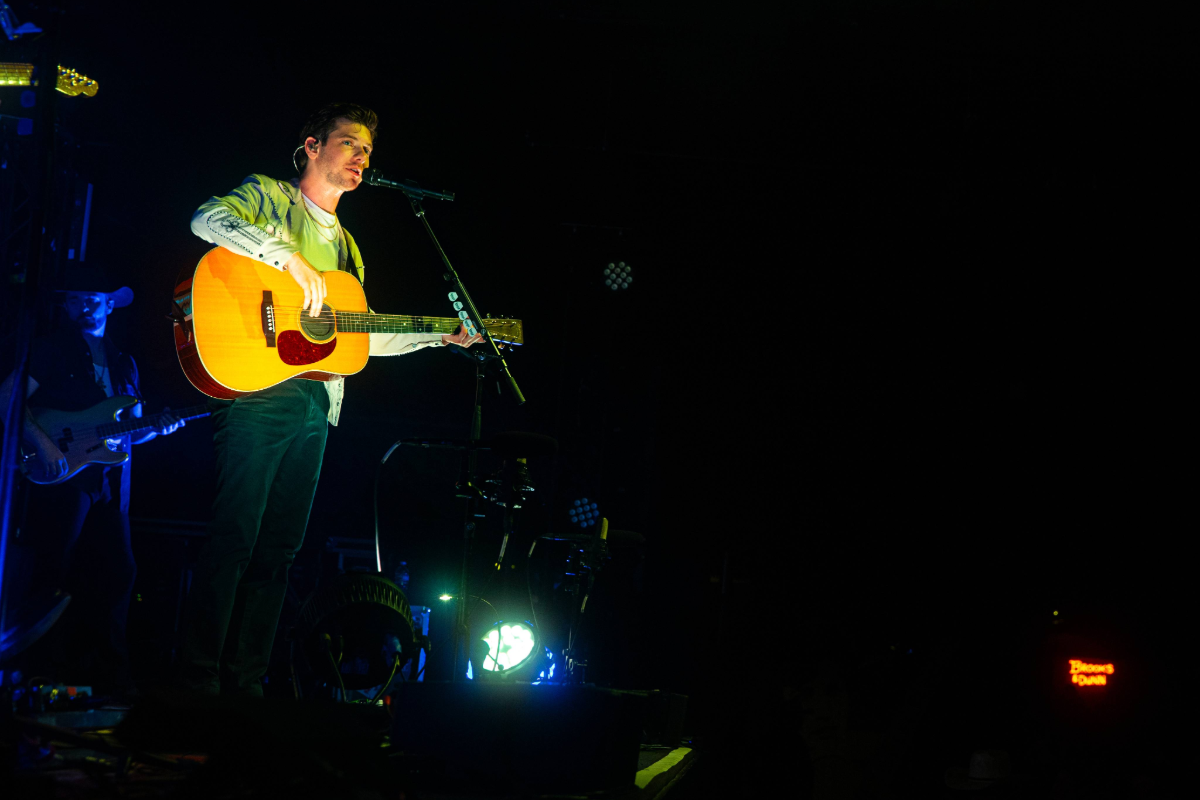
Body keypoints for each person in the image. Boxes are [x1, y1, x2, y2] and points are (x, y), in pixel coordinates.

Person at [176, 102, 482, 696]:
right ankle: (195, 685)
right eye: (349, 143)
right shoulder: (269, 197)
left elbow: (355, 339)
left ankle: (244, 688)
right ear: (312, 146)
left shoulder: (349, 248)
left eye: (367, 150)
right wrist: (285, 257)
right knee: (234, 538)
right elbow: (205, 219)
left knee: (279, 553)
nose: (361, 158)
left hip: (316, 405)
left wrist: (438, 335)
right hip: (257, 389)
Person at [0, 268, 185, 697]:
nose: (81, 307)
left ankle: (110, 684)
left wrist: (159, 428)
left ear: (108, 304)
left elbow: (129, 428)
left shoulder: (124, 363)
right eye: (73, 300)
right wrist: (44, 447)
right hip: (62, 479)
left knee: (118, 572)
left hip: (110, 481)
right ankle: (29, 677)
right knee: (52, 571)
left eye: (91, 299)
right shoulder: (51, 351)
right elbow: (8, 397)